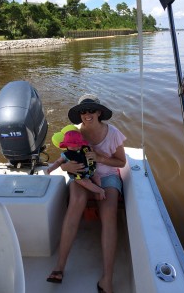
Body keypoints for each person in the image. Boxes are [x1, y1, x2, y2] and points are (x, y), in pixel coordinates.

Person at [46, 94, 126, 293]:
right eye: (83, 111)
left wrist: (100, 158)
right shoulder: (74, 133)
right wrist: (67, 168)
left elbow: (121, 162)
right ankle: (59, 267)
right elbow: (63, 160)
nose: (87, 114)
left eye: (91, 110)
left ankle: (107, 278)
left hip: (107, 176)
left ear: (99, 112)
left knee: (109, 215)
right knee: (76, 204)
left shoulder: (113, 133)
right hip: (80, 175)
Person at [47, 130, 106, 200]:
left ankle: (98, 188)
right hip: (79, 176)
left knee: (97, 177)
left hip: (91, 170)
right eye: (72, 146)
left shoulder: (86, 148)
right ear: (66, 145)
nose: (75, 148)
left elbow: (95, 153)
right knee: (85, 182)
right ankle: (100, 191)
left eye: (78, 146)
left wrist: (100, 155)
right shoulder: (65, 155)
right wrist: (51, 169)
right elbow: (58, 162)